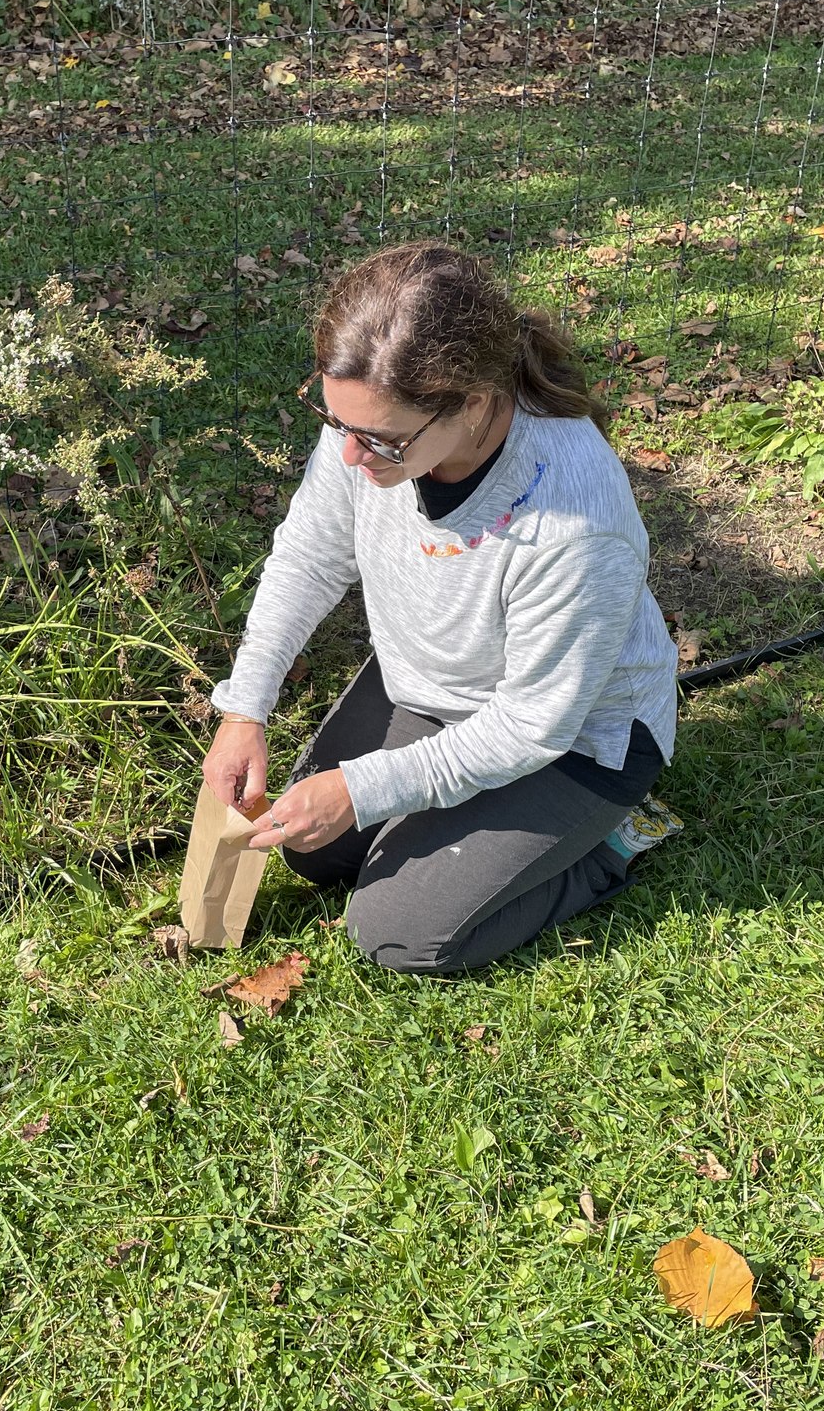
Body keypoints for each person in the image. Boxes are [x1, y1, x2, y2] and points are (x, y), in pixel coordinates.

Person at [202, 240, 679, 975]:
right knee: (316, 855)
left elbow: (531, 726)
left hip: (574, 740)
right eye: (338, 427)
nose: (352, 459)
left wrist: (362, 787)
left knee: (395, 932)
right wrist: (245, 711)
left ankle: (609, 844)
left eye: (379, 441)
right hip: (435, 688)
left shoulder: (577, 521)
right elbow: (307, 557)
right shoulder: (372, 423)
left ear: (476, 402)